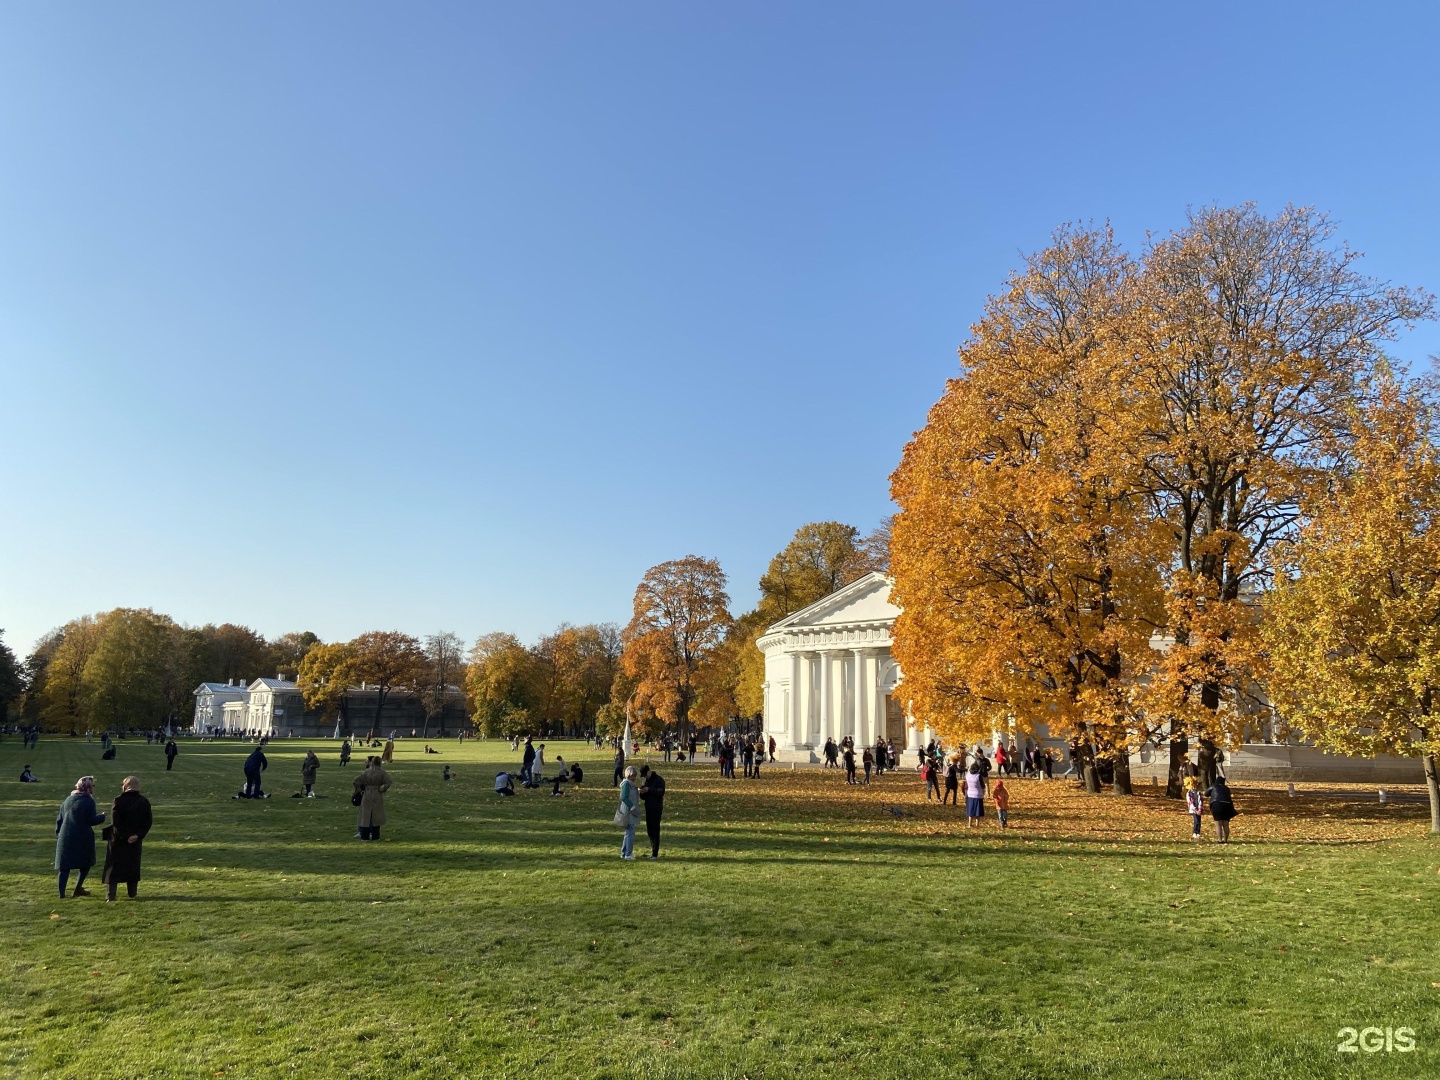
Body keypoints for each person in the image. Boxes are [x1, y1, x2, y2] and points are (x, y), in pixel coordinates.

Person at [102, 776, 153, 902]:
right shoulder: (144, 802)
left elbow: (116, 822)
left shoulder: (118, 801)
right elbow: (147, 822)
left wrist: (125, 836)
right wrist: (137, 835)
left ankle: (111, 895)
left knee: (113, 866)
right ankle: (132, 892)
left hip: (118, 840)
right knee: (132, 866)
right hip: (135, 841)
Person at [55, 776, 105, 898]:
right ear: (88, 787)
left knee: (64, 867)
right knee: (85, 864)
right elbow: (90, 820)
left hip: (65, 836)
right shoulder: (88, 801)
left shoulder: (68, 799)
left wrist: (58, 833)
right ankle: (77, 888)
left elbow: (60, 819)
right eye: (92, 785)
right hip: (82, 837)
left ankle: (61, 894)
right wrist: (102, 817)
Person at [354, 756, 392, 840]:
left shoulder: (366, 772)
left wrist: (359, 790)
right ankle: (375, 836)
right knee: (376, 815)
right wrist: (383, 788)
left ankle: (364, 836)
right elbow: (389, 781)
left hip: (367, 793)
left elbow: (356, 781)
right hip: (377, 793)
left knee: (365, 815)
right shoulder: (382, 772)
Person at [638, 764, 666, 858]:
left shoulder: (659, 780)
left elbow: (660, 793)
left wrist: (649, 789)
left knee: (655, 830)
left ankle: (655, 852)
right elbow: (644, 797)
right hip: (648, 808)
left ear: (649, 771)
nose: (645, 777)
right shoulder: (646, 781)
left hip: (656, 808)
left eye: (646, 774)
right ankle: (652, 849)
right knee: (649, 830)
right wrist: (642, 792)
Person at [617, 766, 640, 860]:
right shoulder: (626, 784)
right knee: (631, 832)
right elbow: (624, 797)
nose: (634, 778)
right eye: (632, 776)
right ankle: (628, 854)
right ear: (629, 775)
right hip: (628, 811)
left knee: (628, 832)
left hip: (628, 810)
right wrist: (632, 807)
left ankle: (624, 853)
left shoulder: (629, 784)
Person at [1206, 775, 1237, 843]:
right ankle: (1225, 840)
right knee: (1226, 824)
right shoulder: (1227, 788)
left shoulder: (1214, 786)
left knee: (1218, 824)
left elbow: (1206, 793)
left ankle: (1220, 840)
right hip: (1227, 805)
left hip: (1216, 804)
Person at [963, 763, 987, 828]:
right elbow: (983, 786)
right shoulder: (978, 776)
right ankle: (977, 825)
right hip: (978, 795)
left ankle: (969, 824)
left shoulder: (967, 775)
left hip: (970, 794)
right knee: (977, 811)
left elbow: (966, 786)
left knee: (970, 810)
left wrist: (965, 794)